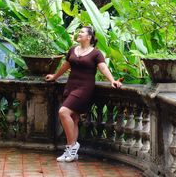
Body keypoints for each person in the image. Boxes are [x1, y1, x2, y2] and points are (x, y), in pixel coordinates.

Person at [45, 26, 122, 162]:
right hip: (71, 86)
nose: (78, 33)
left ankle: (72, 146)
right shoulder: (73, 50)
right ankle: (72, 153)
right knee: (73, 118)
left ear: (89, 37)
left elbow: (103, 67)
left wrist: (112, 80)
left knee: (63, 112)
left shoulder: (96, 53)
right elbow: (66, 65)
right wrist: (55, 77)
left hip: (84, 88)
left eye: (82, 32)